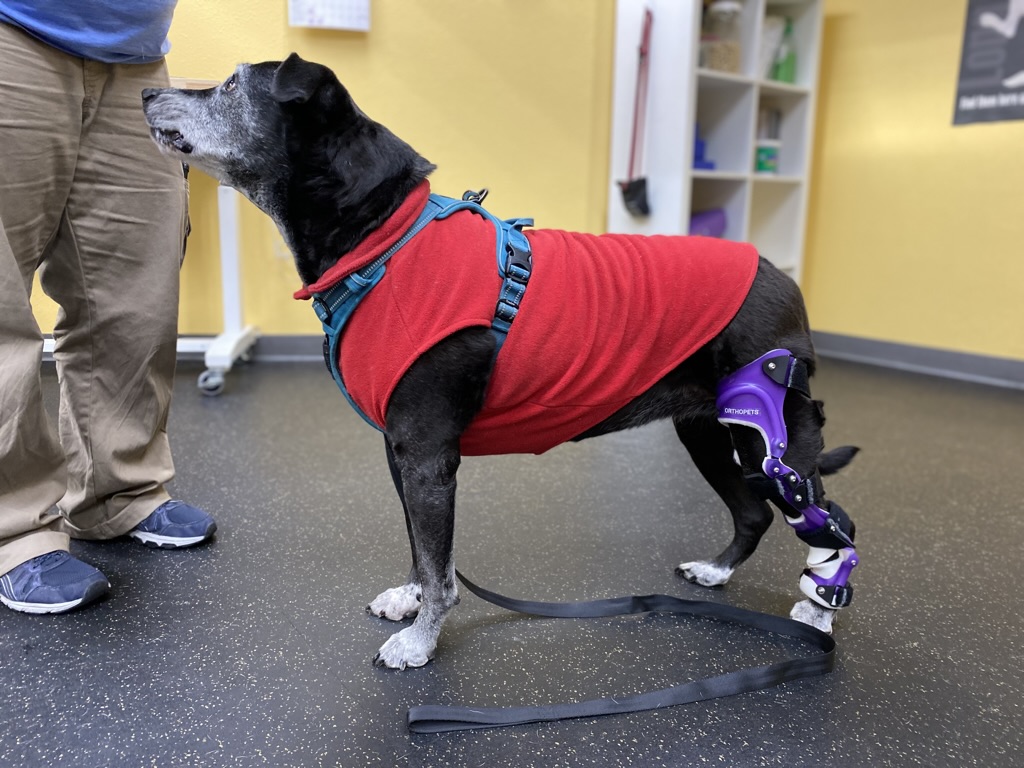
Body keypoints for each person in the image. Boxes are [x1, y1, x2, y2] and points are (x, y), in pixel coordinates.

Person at [0, 1, 216, 614]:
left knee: (135, 296)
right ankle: (14, 528)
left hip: (136, 54)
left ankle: (119, 489)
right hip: (12, 33)